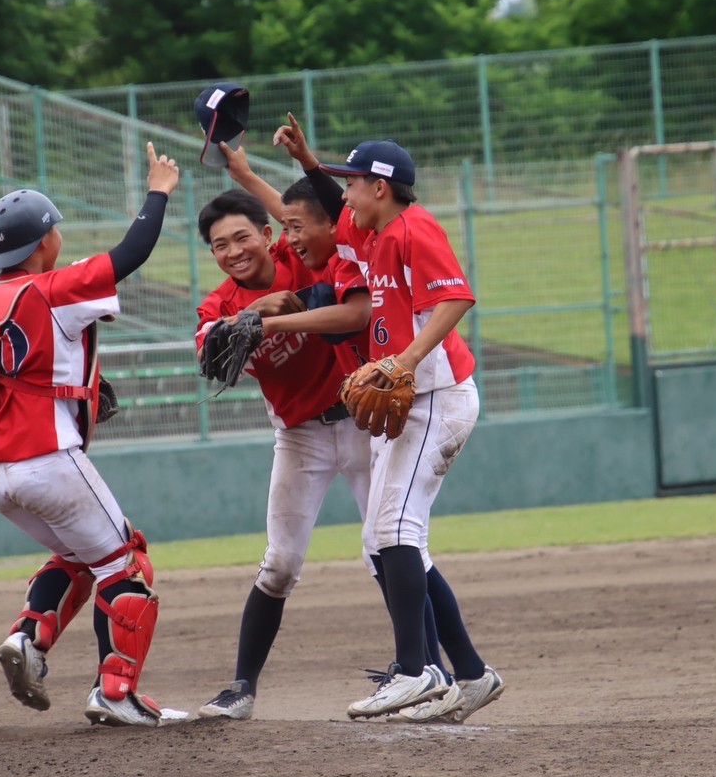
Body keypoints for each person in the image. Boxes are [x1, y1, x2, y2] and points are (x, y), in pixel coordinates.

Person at [0, 143, 181, 728]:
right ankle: (115, 694)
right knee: (128, 565)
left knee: (75, 556)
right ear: (45, 241)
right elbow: (130, 254)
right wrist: (159, 190)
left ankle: (27, 638)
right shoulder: (53, 289)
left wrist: (70, 384)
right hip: (44, 459)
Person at [289, 125, 502, 722]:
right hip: (415, 401)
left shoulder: (414, 228)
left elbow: (457, 298)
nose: (346, 197)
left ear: (381, 188)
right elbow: (334, 201)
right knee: (380, 541)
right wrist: (311, 164)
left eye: (354, 183)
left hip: (435, 397)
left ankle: (416, 670)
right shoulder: (372, 227)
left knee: (396, 531)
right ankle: (471, 673)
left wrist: (405, 360)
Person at [191, 176, 377, 721]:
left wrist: (251, 171)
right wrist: (248, 314)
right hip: (300, 435)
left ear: (267, 234)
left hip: (362, 421)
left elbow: (322, 223)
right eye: (219, 245)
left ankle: (422, 669)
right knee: (279, 565)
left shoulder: (301, 257)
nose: (232, 252)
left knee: (387, 548)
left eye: (242, 237)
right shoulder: (218, 303)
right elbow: (206, 346)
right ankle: (241, 688)